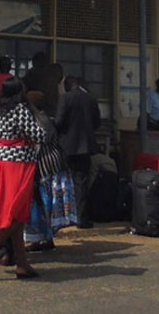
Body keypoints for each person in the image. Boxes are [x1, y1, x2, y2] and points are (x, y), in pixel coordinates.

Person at [0, 78, 47, 282]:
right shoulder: (22, 110)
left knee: (15, 213)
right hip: (18, 165)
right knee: (16, 214)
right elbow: (39, 135)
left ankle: (22, 264)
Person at [24, 91, 78, 251]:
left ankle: (39, 239)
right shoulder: (46, 118)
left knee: (41, 204)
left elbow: (37, 144)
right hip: (55, 164)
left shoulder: (37, 121)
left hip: (44, 166)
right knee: (46, 205)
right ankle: (46, 238)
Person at [55, 75, 100, 229]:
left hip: (67, 146)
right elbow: (97, 122)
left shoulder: (65, 98)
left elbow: (59, 122)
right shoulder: (91, 98)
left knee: (63, 180)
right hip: (85, 146)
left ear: (68, 86)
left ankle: (64, 217)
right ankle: (82, 217)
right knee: (82, 182)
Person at [23, 51, 63, 118]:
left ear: (34, 62)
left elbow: (24, 89)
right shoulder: (54, 73)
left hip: (37, 111)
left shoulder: (32, 73)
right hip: (53, 110)